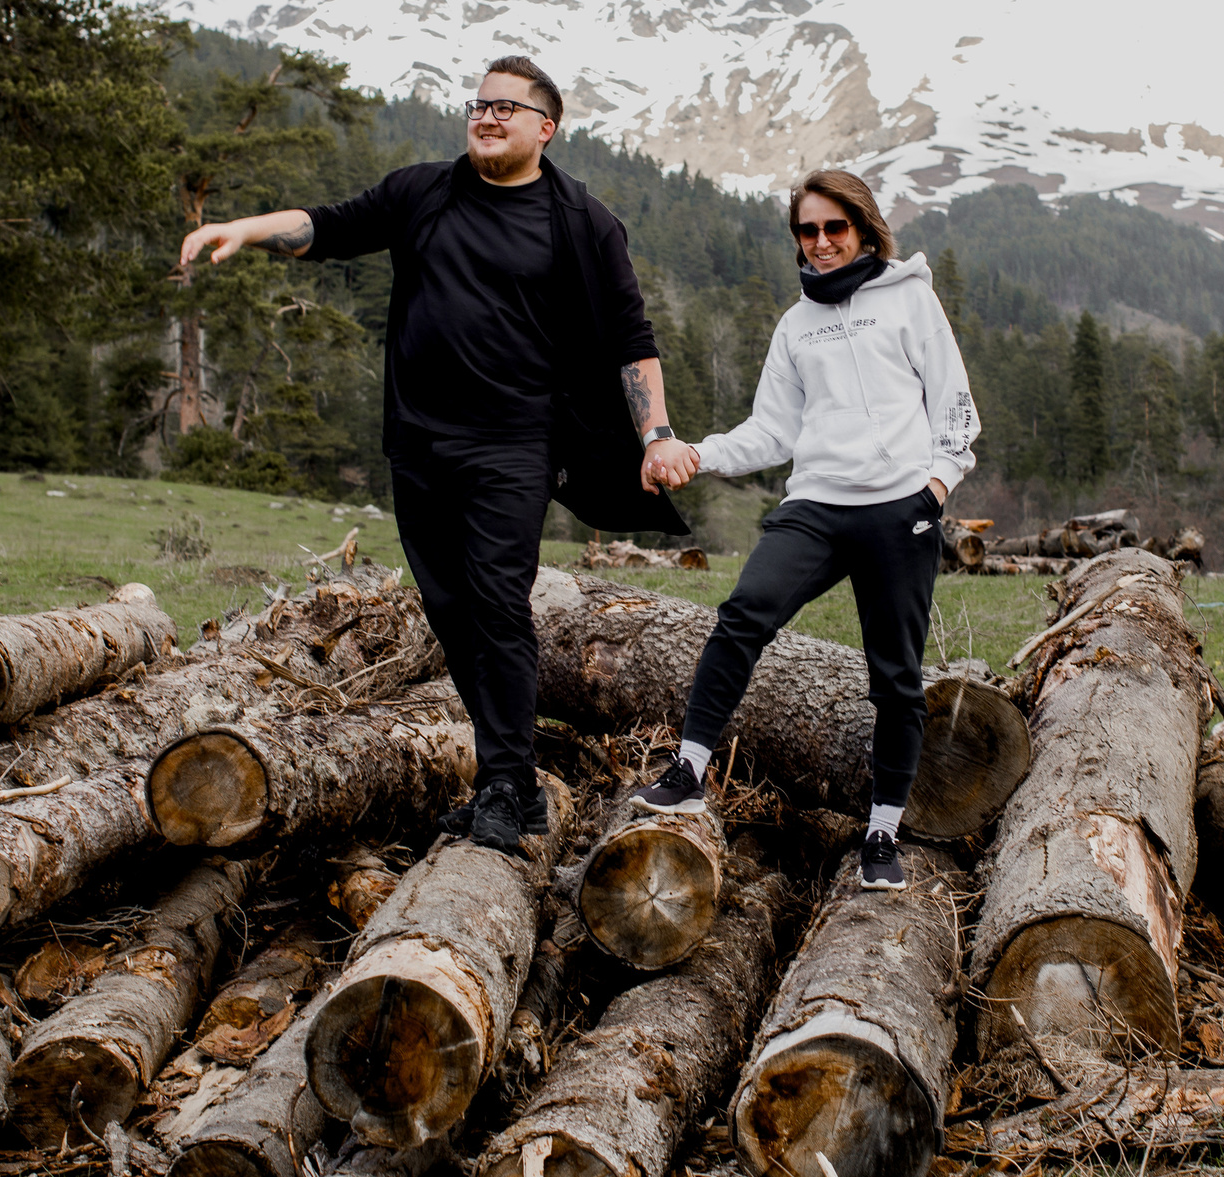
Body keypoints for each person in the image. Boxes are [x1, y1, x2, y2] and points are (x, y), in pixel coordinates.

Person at [179, 55, 688, 855]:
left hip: (515, 445)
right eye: (479, 105)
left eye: (506, 109)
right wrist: (242, 229)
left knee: (496, 601)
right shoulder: (423, 191)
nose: (486, 117)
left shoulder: (580, 221)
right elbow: (328, 226)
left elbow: (632, 340)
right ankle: (507, 782)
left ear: (545, 128)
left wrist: (655, 434)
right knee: (451, 612)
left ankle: (507, 783)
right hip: (418, 445)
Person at [635, 169, 979, 890]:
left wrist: (933, 492)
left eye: (834, 227)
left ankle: (881, 833)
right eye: (807, 230)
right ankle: (690, 767)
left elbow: (955, 409)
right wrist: (700, 454)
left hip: (899, 511)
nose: (821, 242)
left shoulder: (910, 298)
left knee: (895, 679)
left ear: (863, 228)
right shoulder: (797, 324)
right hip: (816, 506)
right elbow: (773, 430)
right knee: (741, 614)